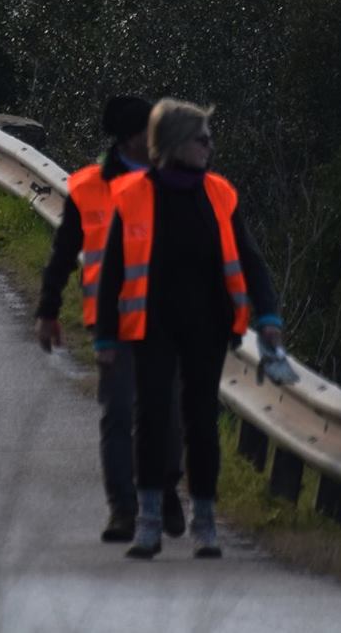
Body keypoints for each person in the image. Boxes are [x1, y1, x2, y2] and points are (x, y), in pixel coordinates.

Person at [95, 99, 284, 560]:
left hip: (210, 327)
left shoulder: (219, 194)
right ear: (176, 144)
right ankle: (149, 521)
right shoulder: (134, 196)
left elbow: (251, 261)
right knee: (152, 419)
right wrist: (104, 337)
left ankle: (204, 522)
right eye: (202, 139)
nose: (210, 147)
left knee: (200, 423)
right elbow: (112, 272)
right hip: (152, 326)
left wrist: (269, 317)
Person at [33, 95, 186, 544]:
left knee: (166, 415)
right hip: (112, 322)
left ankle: (165, 487)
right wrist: (47, 310)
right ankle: (123, 509)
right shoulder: (88, 187)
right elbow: (64, 253)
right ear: (131, 137)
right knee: (118, 414)